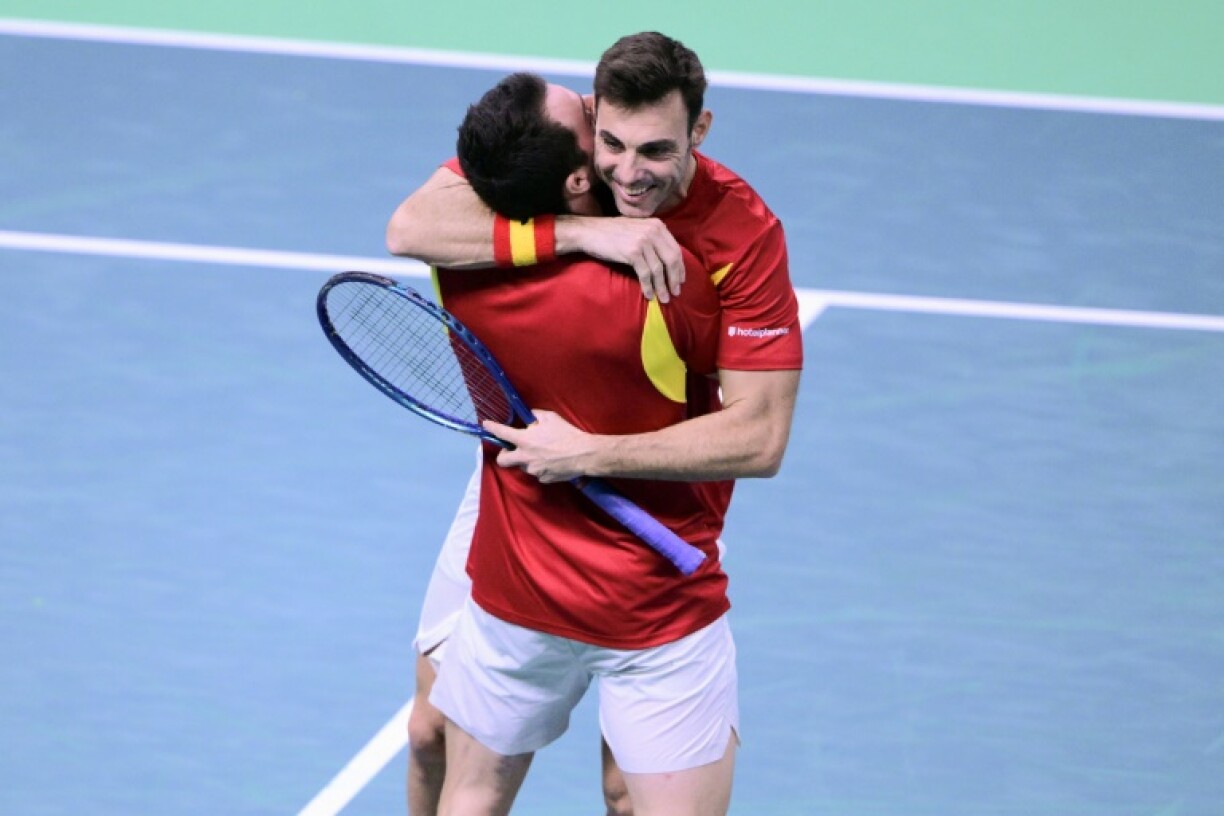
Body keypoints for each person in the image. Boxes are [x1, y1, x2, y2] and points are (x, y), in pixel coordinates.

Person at [388, 32, 804, 815]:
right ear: (588, 122)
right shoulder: (545, 165)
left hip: (635, 522)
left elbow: (761, 435)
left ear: (700, 133)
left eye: (657, 150)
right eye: (612, 144)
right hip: (517, 496)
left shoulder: (738, 234)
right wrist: (586, 231)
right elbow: (409, 228)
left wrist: (591, 451)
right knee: (428, 736)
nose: (628, 172)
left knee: (619, 788)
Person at [431, 70, 734, 816]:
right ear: (577, 177)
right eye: (590, 119)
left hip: (515, 586)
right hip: (653, 603)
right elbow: (743, 425)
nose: (598, 109)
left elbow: (411, 223)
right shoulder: (669, 283)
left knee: (467, 789)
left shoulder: (456, 265)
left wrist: (577, 227)